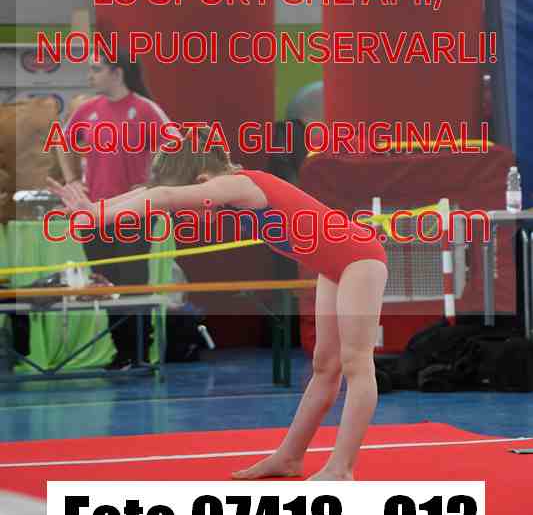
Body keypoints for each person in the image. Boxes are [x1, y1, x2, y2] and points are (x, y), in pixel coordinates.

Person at [49, 126, 388, 480]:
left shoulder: (240, 185)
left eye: (191, 203)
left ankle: (342, 468)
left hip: (359, 259)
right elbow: (152, 191)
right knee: (325, 366)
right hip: (334, 265)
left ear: (203, 181)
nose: (187, 212)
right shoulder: (228, 188)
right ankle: (289, 458)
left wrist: (99, 217)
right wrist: (96, 208)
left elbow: (164, 195)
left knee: (355, 363)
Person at [55, 51, 180, 370]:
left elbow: (178, 149)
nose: (90, 75)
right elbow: (62, 143)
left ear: (117, 72)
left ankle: (139, 352)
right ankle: (121, 352)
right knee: (107, 284)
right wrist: (72, 180)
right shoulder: (87, 110)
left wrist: (154, 182)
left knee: (133, 283)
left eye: (96, 69)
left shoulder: (146, 109)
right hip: (94, 214)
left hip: (134, 213)